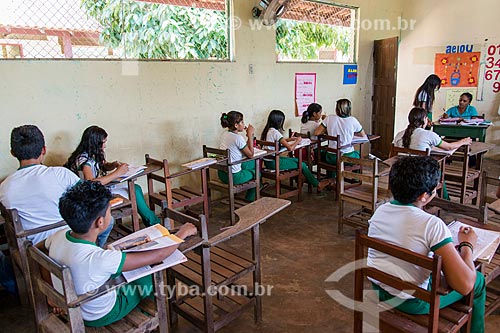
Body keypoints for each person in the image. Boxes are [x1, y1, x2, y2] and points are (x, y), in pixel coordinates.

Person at [43, 180, 197, 327]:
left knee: (126, 270)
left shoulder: (58, 235)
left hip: (75, 302)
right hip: (99, 314)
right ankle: (158, 312)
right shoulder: (98, 259)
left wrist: (52, 297)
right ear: (100, 222)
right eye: (109, 211)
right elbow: (159, 255)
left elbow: (41, 250)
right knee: (152, 276)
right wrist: (182, 233)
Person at [367, 156, 485, 333]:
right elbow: (465, 285)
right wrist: (467, 246)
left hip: (380, 289)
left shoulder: (380, 211)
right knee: (478, 280)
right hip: (412, 302)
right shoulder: (432, 224)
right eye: (434, 189)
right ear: (424, 196)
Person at [0, 125, 108, 294]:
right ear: (44, 150)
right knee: (106, 221)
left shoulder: (5, 187)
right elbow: (89, 196)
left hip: (33, 250)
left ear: (13, 153)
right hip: (70, 244)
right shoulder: (60, 174)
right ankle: (95, 256)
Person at [64, 126, 160, 227]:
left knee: (136, 188)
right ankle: (153, 222)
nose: (105, 146)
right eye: (103, 143)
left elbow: (104, 166)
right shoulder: (83, 160)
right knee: (134, 191)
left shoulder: (92, 154)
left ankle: (151, 221)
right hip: (91, 195)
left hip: (99, 189)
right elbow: (90, 183)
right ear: (94, 143)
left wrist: (113, 165)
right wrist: (117, 173)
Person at [261, 110, 331, 191]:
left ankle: (300, 179)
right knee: (302, 164)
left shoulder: (268, 131)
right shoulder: (275, 133)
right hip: (275, 163)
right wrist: (297, 141)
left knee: (296, 160)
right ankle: (318, 184)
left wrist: (290, 139)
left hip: (268, 162)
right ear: (279, 122)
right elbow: (290, 149)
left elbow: (280, 141)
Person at [218, 111, 257, 201]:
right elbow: (251, 154)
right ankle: (249, 200)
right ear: (236, 125)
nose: (244, 124)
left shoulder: (225, 134)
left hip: (222, 174)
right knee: (257, 173)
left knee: (251, 164)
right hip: (234, 177)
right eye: (242, 122)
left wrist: (249, 136)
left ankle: (254, 191)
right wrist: (250, 135)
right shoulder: (238, 138)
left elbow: (245, 149)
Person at [393, 107, 472, 152]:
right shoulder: (429, 135)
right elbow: (449, 147)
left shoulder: (399, 134)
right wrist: (463, 141)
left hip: (403, 171)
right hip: (421, 172)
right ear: (424, 119)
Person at [314, 98, 366, 166]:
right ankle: (354, 176)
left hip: (331, 157)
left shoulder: (329, 118)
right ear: (349, 109)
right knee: (358, 155)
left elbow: (317, 132)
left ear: (336, 109)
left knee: (326, 156)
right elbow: (362, 135)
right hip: (347, 157)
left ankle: (331, 175)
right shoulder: (353, 120)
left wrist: (328, 130)